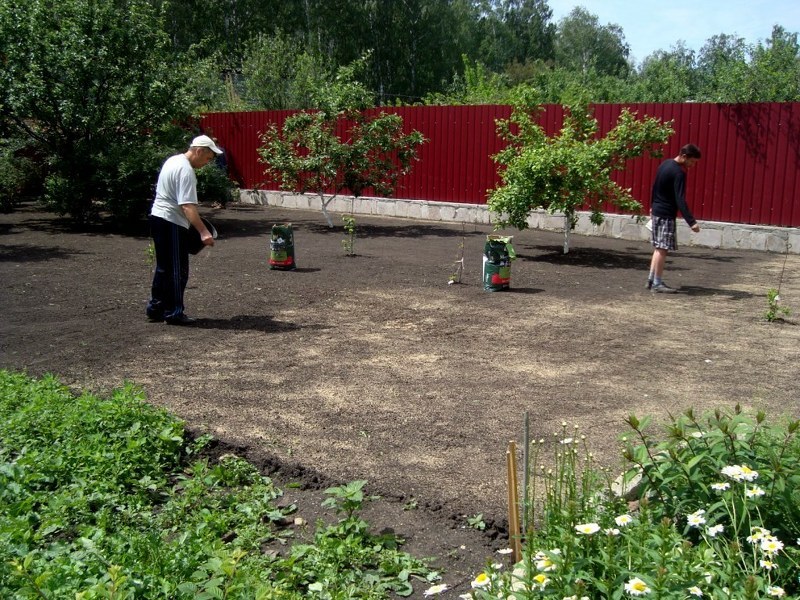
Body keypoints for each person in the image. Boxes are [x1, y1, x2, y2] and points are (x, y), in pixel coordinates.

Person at [146, 135, 222, 325]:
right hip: (171, 221)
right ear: (199, 151)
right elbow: (187, 206)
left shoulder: (173, 160)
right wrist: (203, 231)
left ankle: (156, 308)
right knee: (178, 270)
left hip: (157, 217)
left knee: (164, 267)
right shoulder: (186, 170)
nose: (207, 162)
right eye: (208, 158)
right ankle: (174, 312)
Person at [647, 144, 702, 293]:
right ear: (684, 157)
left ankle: (651, 280)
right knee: (662, 249)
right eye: (692, 161)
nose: (692, 165)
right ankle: (657, 283)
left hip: (657, 210)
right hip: (665, 214)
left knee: (658, 247)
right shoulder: (679, 173)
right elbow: (680, 199)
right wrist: (691, 222)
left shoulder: (665, 164)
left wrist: (652, 205)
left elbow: (654, 186)